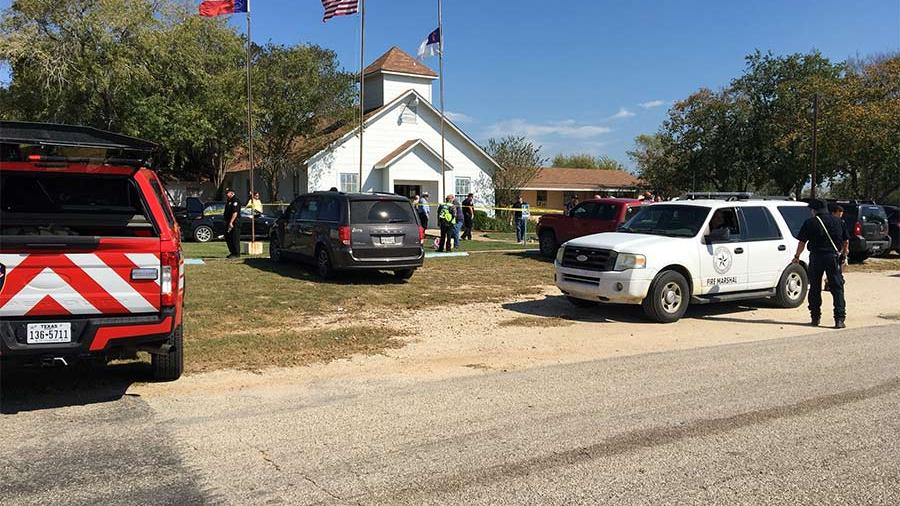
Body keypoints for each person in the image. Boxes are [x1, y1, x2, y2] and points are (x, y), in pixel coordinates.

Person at [792, 199, 849, 328]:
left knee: (815, 288)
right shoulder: (839, 221)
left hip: (816, 257)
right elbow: (846, 241)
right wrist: (844, 255)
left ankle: (815, 317)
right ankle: (839, 319)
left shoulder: (809, 223)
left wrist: (797, 256)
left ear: (814, 210)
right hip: (832, 257)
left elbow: (802, 242)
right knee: (837, 288)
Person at [223, 188, 242, 259]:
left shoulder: (235, 200)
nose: (226, 194)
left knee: (235, 238)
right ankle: (232, 252)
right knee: (228, 237)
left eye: (227, 193)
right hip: (228, 221)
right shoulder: (229, 200)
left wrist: (231, 222)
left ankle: (236, 253)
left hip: (235, 222)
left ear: (232, 193)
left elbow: (235, 213)